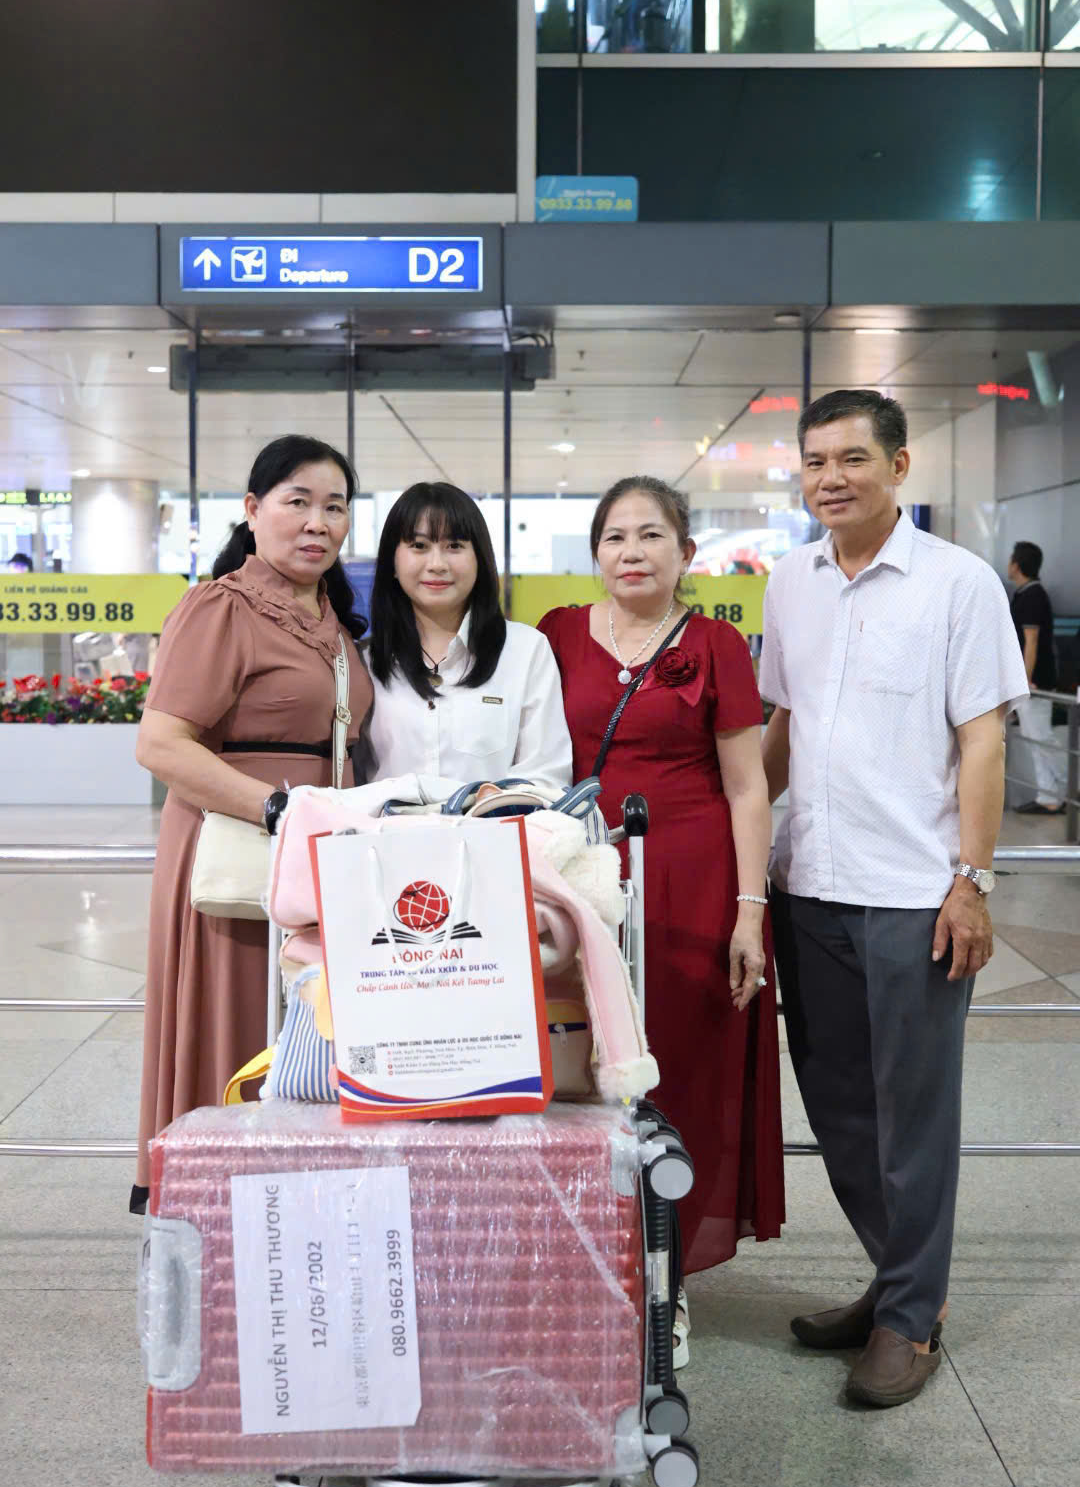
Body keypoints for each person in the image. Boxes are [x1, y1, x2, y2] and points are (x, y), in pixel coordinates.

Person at [761, 389, 1028, 1408]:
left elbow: (983, 742)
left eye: (852, 459)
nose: (830, 478)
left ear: (899, 467)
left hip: (915, 894)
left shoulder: (958, 584)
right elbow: (782, 727)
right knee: (839, 1111)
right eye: (815, 461)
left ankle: (911, 1319)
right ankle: (897, 1283)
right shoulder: (791, 583)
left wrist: (973, 881)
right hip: (809, 884)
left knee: (911, 1118)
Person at [538, 476, 785, 1366]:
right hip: (581, 880)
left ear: (686, 552)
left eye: (651, 535)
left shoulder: (715, 644)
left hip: (693, 880)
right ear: (595, 553)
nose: (632, 552)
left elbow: (748, 786)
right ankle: (584, 1263)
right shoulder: (557, 633)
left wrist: (750, 910)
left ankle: (664, 1278)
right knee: (580, 1069)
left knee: (678, 1071)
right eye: (615, 536)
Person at [130, 435, 373, 1212]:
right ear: (252, 509)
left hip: (315, 859)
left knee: (304, 1036)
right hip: (242, 853)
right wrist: (276, 808)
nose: (317, 523)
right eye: (297, 502)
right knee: (239, 1024)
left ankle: (298, 1214)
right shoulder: (222, 607)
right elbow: (160, 744)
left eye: (334, 507)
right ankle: (222, 1212)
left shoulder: (333, 620)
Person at [366, 482, 572, 797]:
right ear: (392, 562)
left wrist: (479, 809)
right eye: (419, 546)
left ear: (479, 558)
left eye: (454, 546)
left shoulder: (526, 650)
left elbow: (546, 776)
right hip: (384, 829)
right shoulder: (365, 660)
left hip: (493, 826)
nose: (437, 564)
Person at [1008, 541, 1065, 816]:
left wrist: (1024, 680)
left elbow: (1031, 642)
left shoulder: (1033, 596)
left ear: (1017, 565)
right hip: (1029, 680)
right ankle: (1048, 795)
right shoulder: (1024, 594)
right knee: (1034, 738)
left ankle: (1066, 787)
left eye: (1011, 559)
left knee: (1041, 738)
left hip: (1035, 681)